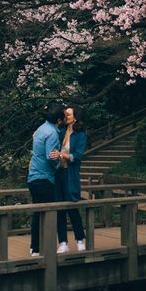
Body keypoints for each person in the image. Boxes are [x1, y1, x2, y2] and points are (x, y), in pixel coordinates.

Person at [27, 102, 63, 256]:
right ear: (59, 120)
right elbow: (51, 156)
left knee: (37, 212)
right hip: (45, 177)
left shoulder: (40, 129)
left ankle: (34, 246)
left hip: (33, 177)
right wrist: (59, 163)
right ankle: (41, 247)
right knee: (47, 212)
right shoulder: (52, 133)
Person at [50, 105, 87, 253]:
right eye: (65, 114)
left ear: (75, 118)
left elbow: (77, 156)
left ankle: (80, 239)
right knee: (60, 208)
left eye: (69, 115)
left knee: (72, 206)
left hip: (70, 174)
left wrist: (61, 155)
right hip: (58, 173)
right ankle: (63, 242)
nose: (66, 117)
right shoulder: (60, 132)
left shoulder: (80, 135)